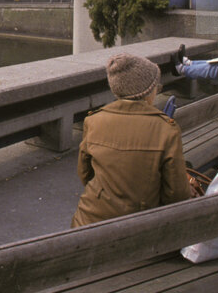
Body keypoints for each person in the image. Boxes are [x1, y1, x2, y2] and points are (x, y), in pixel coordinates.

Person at [71, 53, 190, 227]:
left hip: (87, 222)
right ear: (147, 92)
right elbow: (177, 194)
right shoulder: (165, 129)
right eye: (156, 87)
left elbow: (85, 174)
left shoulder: (94, 121)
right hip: (138, 228)